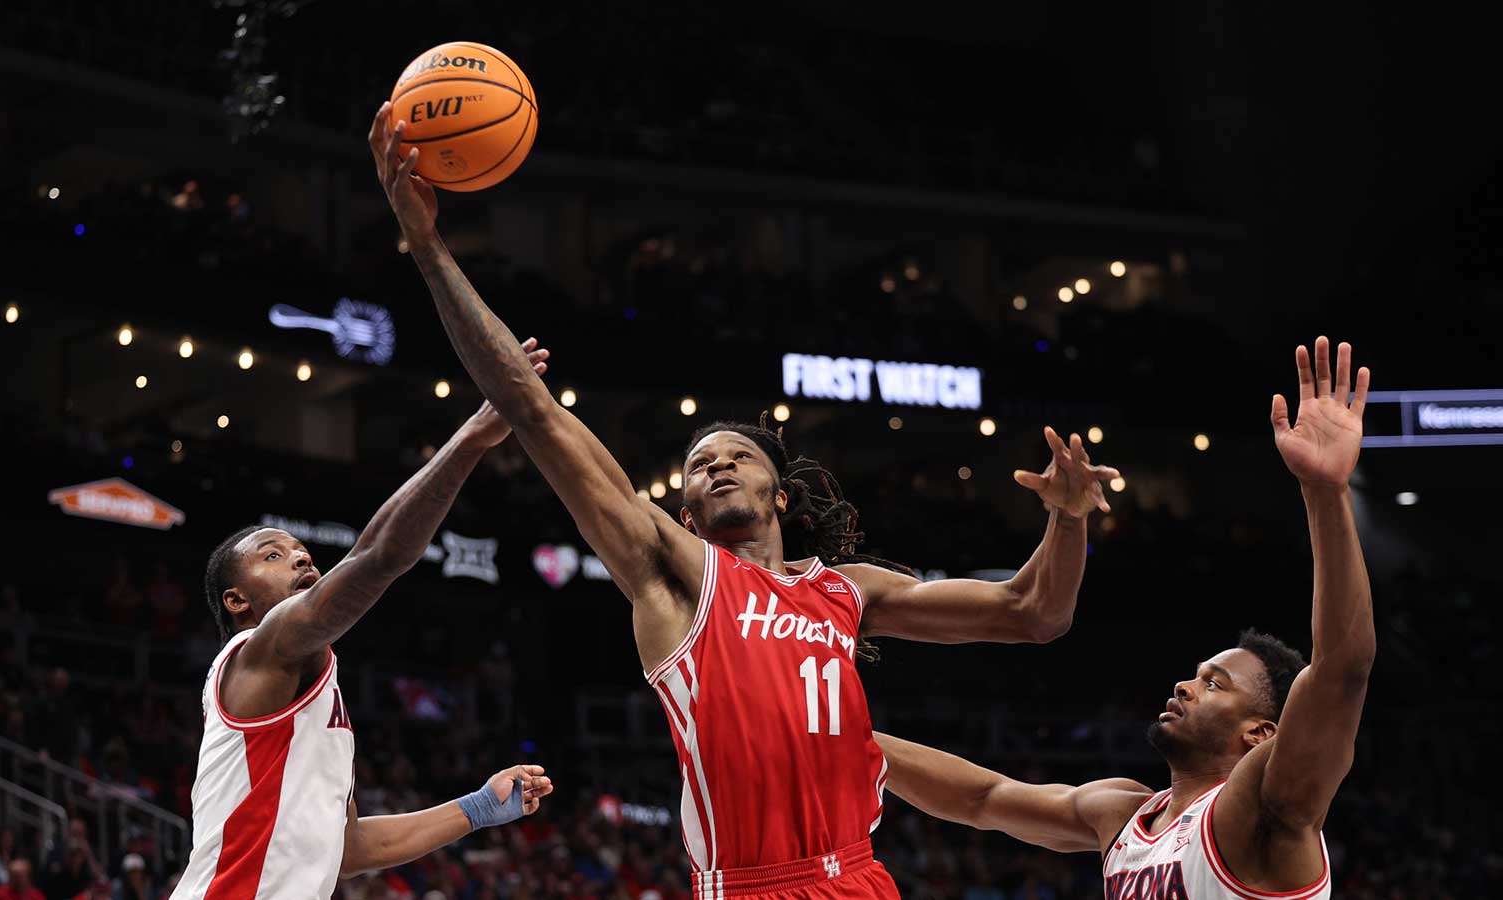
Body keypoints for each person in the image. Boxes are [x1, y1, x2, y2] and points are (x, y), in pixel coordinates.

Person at [369, 103, 1117, 899]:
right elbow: (530, 405)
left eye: (738, 457)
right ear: (683, 512)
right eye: (698, 465)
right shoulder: (673, 574)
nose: (717, 466)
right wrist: (428, 245)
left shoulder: (846, 591)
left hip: (860, 882)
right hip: (753, 885)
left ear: (780, 495)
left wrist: (1066, 519)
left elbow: (1033, 613)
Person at [876, 338, 1376, 900]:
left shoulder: (1264, 806)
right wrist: (848, 737)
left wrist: (1324, 491)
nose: (1186, 684)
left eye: (1215, 683)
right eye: (1197, 673)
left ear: (1260, 734)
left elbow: (1341, 670)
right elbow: (983, 798)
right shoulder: (1123, 813)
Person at [169, 373, 555, 900]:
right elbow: (380, 556)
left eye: (302, 549)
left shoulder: (312, 691)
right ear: (238, 601)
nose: (302, 555)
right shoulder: (260, 649)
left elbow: (348, 850)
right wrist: (470, 440)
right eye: (273, 555)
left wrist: (477, 807)